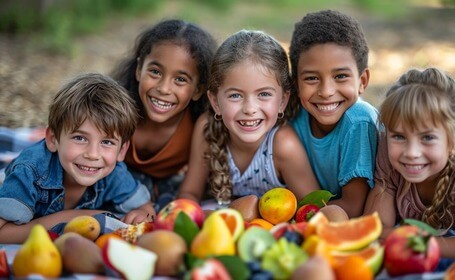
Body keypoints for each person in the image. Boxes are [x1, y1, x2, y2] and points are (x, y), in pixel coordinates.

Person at [0, 73, 155, 243]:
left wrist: (141, 213)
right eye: (80, 138)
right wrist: (72, 217)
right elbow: (3, 233)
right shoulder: (30, 171)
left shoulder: (113, 173)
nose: (93, 154)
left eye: (107, 142)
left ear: (121, 151)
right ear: (53, 139)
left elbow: (147, 208)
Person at [363, 67, 455, 258]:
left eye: (427, 137)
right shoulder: (388, 152)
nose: (411, 153)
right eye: (399, 136)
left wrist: (415, 243)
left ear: (453, 141)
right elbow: (375, 229)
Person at [177, 30, 319, 205]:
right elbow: (189, 192)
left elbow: (314, 207)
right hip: (221, 223)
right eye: (235, 95)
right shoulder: (207, 128)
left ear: (283, 101)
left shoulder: (283, 146)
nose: (250, 109)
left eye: (264, 94)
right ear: (215, 102)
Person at [111, 19, 217, 211]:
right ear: (138, 70)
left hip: (170, 184)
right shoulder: (116, 109)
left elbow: (190, 193)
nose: (164, 88)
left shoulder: (200, 126)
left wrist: (181, 218)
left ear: (198, 90)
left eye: (180, 79)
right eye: (155, 72)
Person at [288, 10, 379, 218]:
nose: (326, 91)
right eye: (311, 78)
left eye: (340, 76)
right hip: (318, 212)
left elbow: (353, 208)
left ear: (362, 81)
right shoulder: (296, 115)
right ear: (296, 84)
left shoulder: (358, 121)